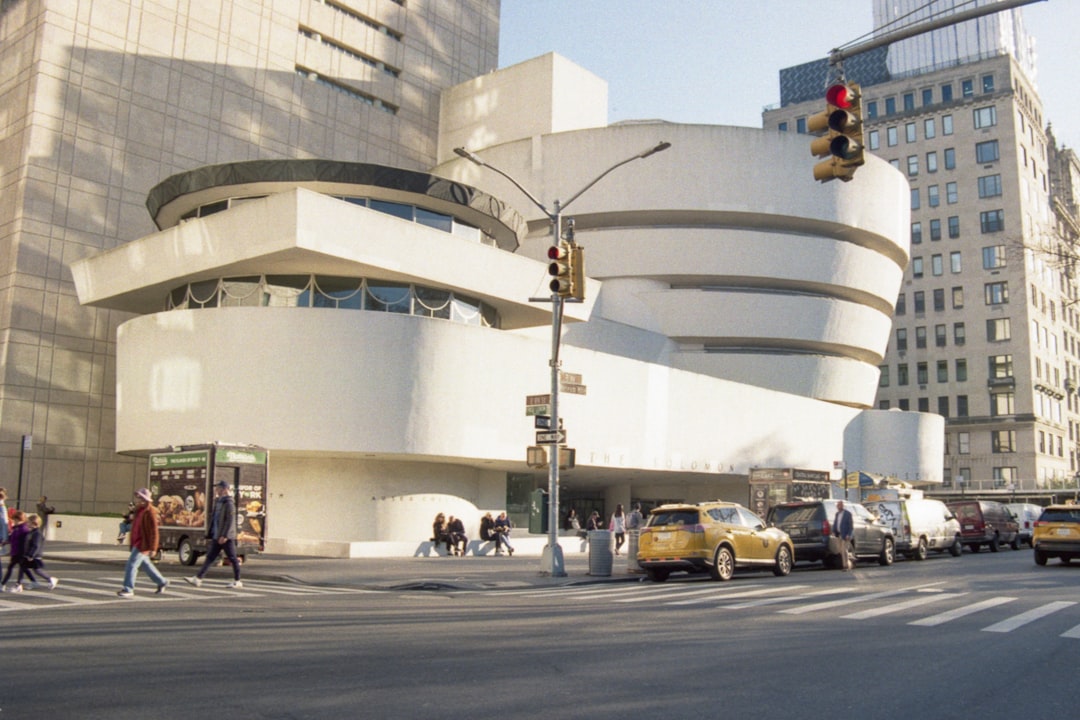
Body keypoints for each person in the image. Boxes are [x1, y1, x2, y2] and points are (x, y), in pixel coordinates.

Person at [185, 480, 242, 589]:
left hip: (226, 537)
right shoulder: (218, 502)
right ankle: (198, 578)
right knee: (210, 557)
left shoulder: (229, 503)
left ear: (225, 490)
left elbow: (230, 521)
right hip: (217, 535)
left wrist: (225, 535)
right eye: (217, 488)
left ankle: (238, 580)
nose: (217, 490)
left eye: (219, 488)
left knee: (232, 558)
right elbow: (214, 519)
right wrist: (211, 533)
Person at [117, 488, 168, 597]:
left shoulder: (150, 512)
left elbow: (154, 531)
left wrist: (153, 548)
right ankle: (162, 581)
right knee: (147, 566)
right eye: (138, 497)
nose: (139, 500)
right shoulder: (138, 510)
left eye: (141, 498)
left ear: (146, 499)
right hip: (137, 542)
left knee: (131, 565)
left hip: (142, 544)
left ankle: (128, 589)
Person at [18, 514, 57, 590]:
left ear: (34, 523)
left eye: (28, 522)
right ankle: (27, 583)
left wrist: (31, 555)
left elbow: (36, 545)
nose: (27, 524)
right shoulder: (32, 532)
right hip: (30, 555)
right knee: (24, 567)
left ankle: (50, 579)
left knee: (37, 570)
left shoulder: (37, 533)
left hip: (34, 556)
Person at [1, 511, 31, 592]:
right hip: (15, 552)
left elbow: (25, 542)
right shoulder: (16, 528)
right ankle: (3, 584)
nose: (15, 522)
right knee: (11, 568)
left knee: (21, 569)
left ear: (22, 520)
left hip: (21, 552)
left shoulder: (24, 529)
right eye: (14, 520)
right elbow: (12, 538)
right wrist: (5, 542)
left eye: (17, 520)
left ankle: (18, 584)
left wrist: (26, 553)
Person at [833, 500, 855, 571]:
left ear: (843, 506)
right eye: (838, 505)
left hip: (845, 535)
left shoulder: (847, 514)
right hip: (839, 535)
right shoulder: (837, 514)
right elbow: (836, 523)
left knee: (844, 550)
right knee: (840, 550)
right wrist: (834, 531)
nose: (839, 506)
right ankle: (850, 561)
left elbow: (851, 526)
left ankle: (845, 566)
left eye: (840, 505)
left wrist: (849, 534)